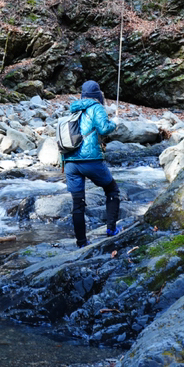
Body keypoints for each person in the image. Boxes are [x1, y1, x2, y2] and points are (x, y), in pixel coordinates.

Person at [63, 80, 121, 247]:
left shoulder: (73, 109)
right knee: (112, 189)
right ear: (98, 95)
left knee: (78, 203)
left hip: (70, 162)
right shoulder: (96, 107)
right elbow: (103, 129)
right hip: (90, 160)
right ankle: (111, 229)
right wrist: (115, 123)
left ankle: (81, 242)